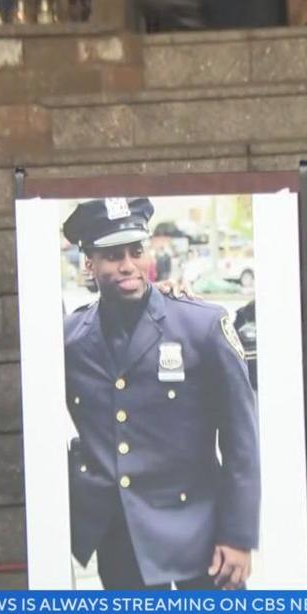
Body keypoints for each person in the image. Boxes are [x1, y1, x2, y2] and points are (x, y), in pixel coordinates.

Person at [61, 197, 261, 590]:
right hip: (123, 543)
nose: (127, 265)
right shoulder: (70, 339)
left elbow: (242, 442)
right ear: (89, 264)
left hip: (200, 538)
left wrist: (237, 537)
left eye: (136, 251)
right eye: (111, 255)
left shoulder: (200, 325)